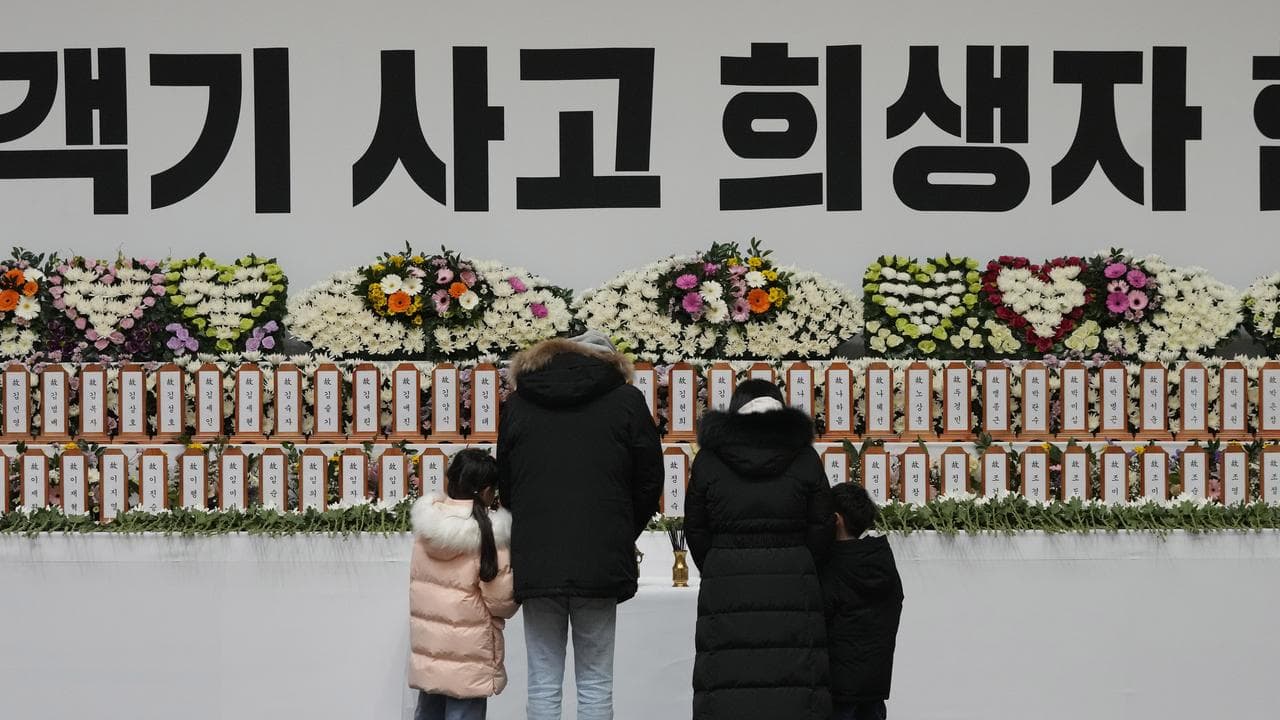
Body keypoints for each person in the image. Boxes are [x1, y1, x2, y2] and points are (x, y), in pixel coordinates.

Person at [498, 331, 664, 720]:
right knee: (595, 680)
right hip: (600, 554)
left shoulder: (521, 402)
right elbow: (649, 478)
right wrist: (621, 529)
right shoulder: (626, 400)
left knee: (542, 680)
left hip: (538, 555)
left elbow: (507, 482)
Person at [684, 379, 835, 720]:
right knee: (797, 684)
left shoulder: (709, 459)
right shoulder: (804, 457)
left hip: (726, 579)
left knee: (726, 681)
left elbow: (695, 526)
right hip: (793, 577)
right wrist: (802, 561)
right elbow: (822, 524)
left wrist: (717, 563)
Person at [408, 448, 517, 720]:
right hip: (470, 658)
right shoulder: (490, 533)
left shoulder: (427, 526)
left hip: (430, 652)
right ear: (488, 491)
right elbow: (502, 603)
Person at [822, 482, 904, 720]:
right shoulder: (882, 559)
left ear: (836, 519)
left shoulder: (833, 566)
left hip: (838, 690)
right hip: (875, 685)